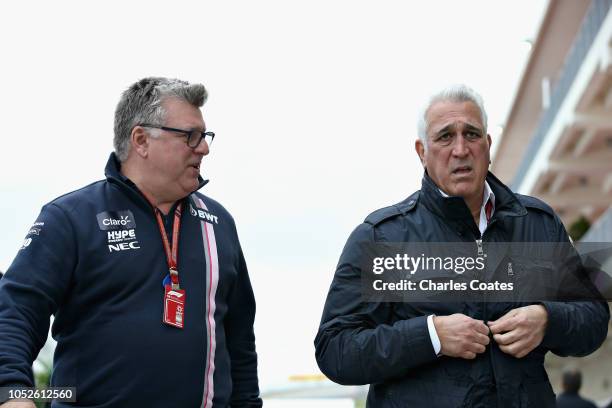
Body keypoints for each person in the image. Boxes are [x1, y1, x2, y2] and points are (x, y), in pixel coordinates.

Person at [314, 84, 610, 407]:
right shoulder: (383, 238)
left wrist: (547, 320)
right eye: (445, 137)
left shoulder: (538, 224)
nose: (460, 149)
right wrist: (430, 336)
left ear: (488, 144)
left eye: (471, 134)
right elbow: (335, 348)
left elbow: (594, 316)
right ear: (421, 152)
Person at [0, 77, 262, 407]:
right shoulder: (70, 217)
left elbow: (240, 342)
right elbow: (16, 311)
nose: (204, 148)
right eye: (190, 136)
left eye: (205, 136)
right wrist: (11, 394)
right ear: (141, 140)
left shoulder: (219, 223)